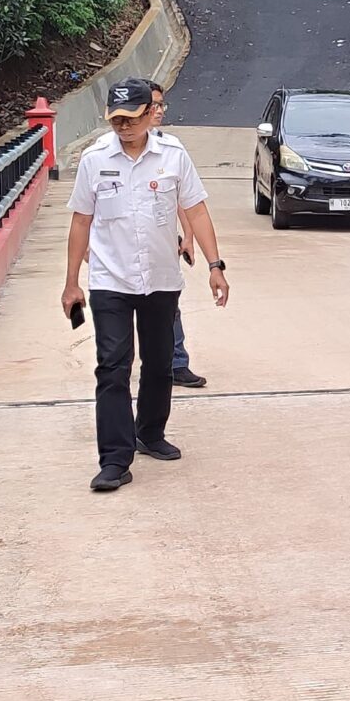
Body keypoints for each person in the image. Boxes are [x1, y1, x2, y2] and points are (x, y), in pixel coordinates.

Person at [62, 78, 230, 491]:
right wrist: (71, 284)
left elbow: (197, 209)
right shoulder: (94, 159)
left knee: (158, 365)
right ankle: (115, 460)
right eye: (116, 119)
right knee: (112, 367)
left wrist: (215, 265)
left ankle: (150, 433)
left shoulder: (172, 157)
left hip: (160, 279)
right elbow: (81, 220)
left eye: (130, 118)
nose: (123, 126)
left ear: (148, 114)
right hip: (110, 280)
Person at [151, 89, 207, 389]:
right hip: (121, 249)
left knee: (169, 303)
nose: (160, 111)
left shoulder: (170, 148)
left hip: (162, 243)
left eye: (162, 105)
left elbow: (182, 199)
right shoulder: (106, 151)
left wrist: (188, 235)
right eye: (154, 105)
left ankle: (176, 362)